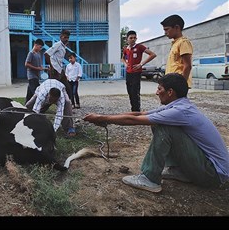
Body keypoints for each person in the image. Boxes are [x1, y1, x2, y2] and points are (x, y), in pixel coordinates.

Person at [83, 73, 229, 193]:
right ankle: (179, 170)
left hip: (213, 175)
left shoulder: (180, 111)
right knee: (159, 124)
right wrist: (103, 117)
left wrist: (103, 118)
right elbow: (139, 114)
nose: (156, 92)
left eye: (159, 89)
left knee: (163, 127)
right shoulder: (179, 105)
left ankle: (150, 179)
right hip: (208, 168)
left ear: (170, 92)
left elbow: (135, 121)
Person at [121, 30, 156, 112]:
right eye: (131, 38)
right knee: (129, 91)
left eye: (134, 37)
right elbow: (122, 58)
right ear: (127, 39)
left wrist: (141, 64)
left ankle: (136, 111)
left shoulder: (139, 47)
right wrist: (126, 64)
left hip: (136, 73)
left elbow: (153, 54)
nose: (133, 39)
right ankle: (133, 109)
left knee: (135, 92)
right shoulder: (126, 48)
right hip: (128, 72)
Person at [160, 14, 193, 88]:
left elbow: (187, 66)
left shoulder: (183, 42)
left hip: (177, 84)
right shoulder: (175, 43)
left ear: (177, 28)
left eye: (167, 29)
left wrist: (181, 85)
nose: (165, 33)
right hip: (171, 82)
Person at [45, 29, 73, 101]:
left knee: (67, 89)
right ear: (61, 37)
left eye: (67, 38)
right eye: (65, 37)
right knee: (53, 91)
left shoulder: (63, 46)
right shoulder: (58, 44)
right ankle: (42, 106)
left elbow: (58, 59)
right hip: (54, 72)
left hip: (60, 70)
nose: (66, 39)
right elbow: (46, 54)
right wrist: (52, 67)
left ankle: (67, 105)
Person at [25, 39, 47, 104]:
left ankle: (26, 104)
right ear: (36, 45)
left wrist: (44, 68)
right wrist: (37, 68)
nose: (40, 49)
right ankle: (37, 107)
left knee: (29, 93)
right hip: (32, 76)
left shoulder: (38, 54)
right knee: (36, 93)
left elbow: (39, 66)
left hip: (37, 76)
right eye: (40, 47)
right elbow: (26, 64)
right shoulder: (31, 53)